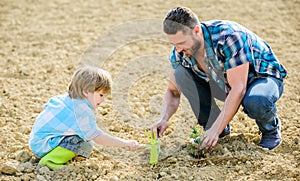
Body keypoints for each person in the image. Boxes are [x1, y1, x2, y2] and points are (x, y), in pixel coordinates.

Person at [152, 7, 287, 151]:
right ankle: (216, 130)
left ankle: (270, 131)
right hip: (224, 82)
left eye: (181, 43)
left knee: (256, 101)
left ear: (196, 31)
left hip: (261, 78)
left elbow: (239, 88)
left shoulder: (229, 36)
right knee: (180, 74)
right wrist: (164, 119)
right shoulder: (181, 51)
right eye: (174, 44)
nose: (178, 50)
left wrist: (215, 130)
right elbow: (173, 92)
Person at [29, 66, 140, 170]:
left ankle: (58, 153)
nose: (103, 100)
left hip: (37, 142)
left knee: (83, 139)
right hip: (43, 146)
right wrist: (125, 143)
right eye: (101, 95)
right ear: (86, 91)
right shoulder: (82, 112)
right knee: (83, 144)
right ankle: (50, 161)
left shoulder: (66, 99)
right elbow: (97, 136)